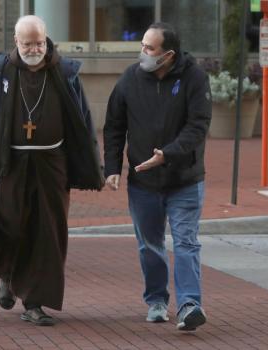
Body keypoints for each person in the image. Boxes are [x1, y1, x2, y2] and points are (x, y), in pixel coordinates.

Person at [0, 15, 104, 326]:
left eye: (39, 42)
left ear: (47, 40)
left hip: (51, 164)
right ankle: (8, 274)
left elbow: (82, 120)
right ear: (16, 42)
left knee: (47, 233)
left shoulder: (64, 71)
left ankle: (35, 302)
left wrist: (91, 165)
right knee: (10, 227)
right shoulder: (0, 69)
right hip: (10, 163)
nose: (34, 48)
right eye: (28, 43)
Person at [103, 22, 212, 331]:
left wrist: (168, 154)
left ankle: (190, 304)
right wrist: (111, 168)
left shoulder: (194, 78)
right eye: (142, 46)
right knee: (149, 244)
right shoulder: (130, 79)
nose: (143, 53)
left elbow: (198, 125)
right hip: (142, 182)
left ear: (168, 55)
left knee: (186, 242)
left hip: (185, 179)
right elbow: (114, 126)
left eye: (150, 49)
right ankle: (156, 301)